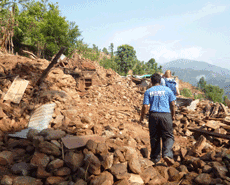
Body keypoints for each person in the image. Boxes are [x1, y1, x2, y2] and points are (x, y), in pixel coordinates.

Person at [139, 73, 176, 166]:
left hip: (153, 115)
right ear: (160, 81)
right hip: (166, 115)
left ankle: (155, 158)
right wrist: (173, 115)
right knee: (168, 136)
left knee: (154, 137)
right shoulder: (168, 90)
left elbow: (145, 106)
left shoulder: (148, 91)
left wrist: (142, 117)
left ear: (151, 82)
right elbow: (173, 104)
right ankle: (167, 154)